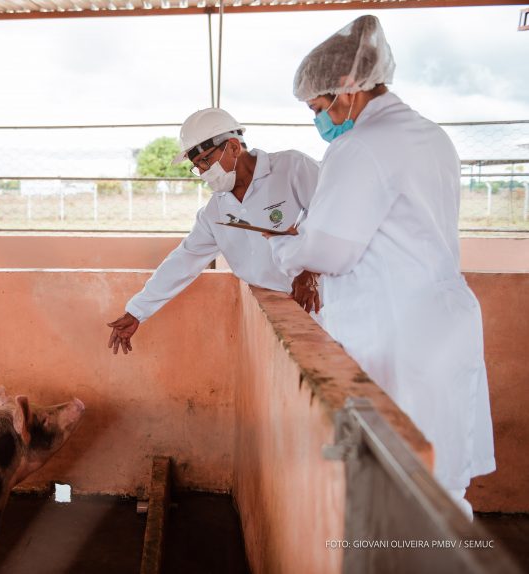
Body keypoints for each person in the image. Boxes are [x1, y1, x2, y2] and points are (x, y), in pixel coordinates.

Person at [265, 15, 495, 519]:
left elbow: (329, 251)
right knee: (442, 484)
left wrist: (287, 251)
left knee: (396, 489)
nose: (318, 118)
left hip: (395, 331)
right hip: (440, 322)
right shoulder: (430, 136)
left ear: (346, 90)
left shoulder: (360, 147)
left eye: (318, 106)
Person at [107, 107, 320, 355]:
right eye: (197, 167)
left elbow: (331, 214)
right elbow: (184, 260)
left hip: (323, 301)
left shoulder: (292, 167)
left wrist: (310, 270)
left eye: (205, 161)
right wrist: (137, 311)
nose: (203, 173)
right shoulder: (215, 212)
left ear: (232, 147)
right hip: (278, 309)